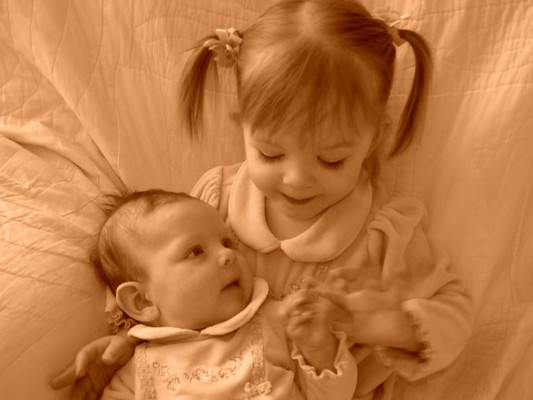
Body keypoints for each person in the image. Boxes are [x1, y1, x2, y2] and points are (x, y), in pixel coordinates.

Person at [52, 1, 473, 399]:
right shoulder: (212, 202)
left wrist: (381, 325)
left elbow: (453, 314)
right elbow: (156, 277)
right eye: (270, 153)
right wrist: (130, 344)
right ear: (242, 126)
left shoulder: (382, 235)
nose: (296, 180)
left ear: (374, 139)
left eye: (331, 159)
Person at [90, 189, 357, 399]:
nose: (227, 254)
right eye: (196, 252)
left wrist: (319, 350)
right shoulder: (136, 371)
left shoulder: (279, 322)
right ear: (142, 300)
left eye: (227, 242)